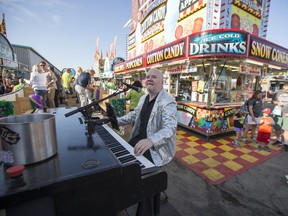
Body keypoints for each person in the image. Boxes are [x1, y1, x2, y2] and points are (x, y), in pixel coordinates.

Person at [117, 68, 177, 215]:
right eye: (148, 76)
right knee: (118, 162)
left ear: (162, 82)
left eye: (154, 77)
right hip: (138, 142)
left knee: (147, 180)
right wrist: (115, 121)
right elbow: (133, 115)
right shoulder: (144, 97)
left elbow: (170, 128)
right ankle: (124, 197)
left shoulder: (168, 101)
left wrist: (151, 140)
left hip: (158, 149)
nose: (149, 79)